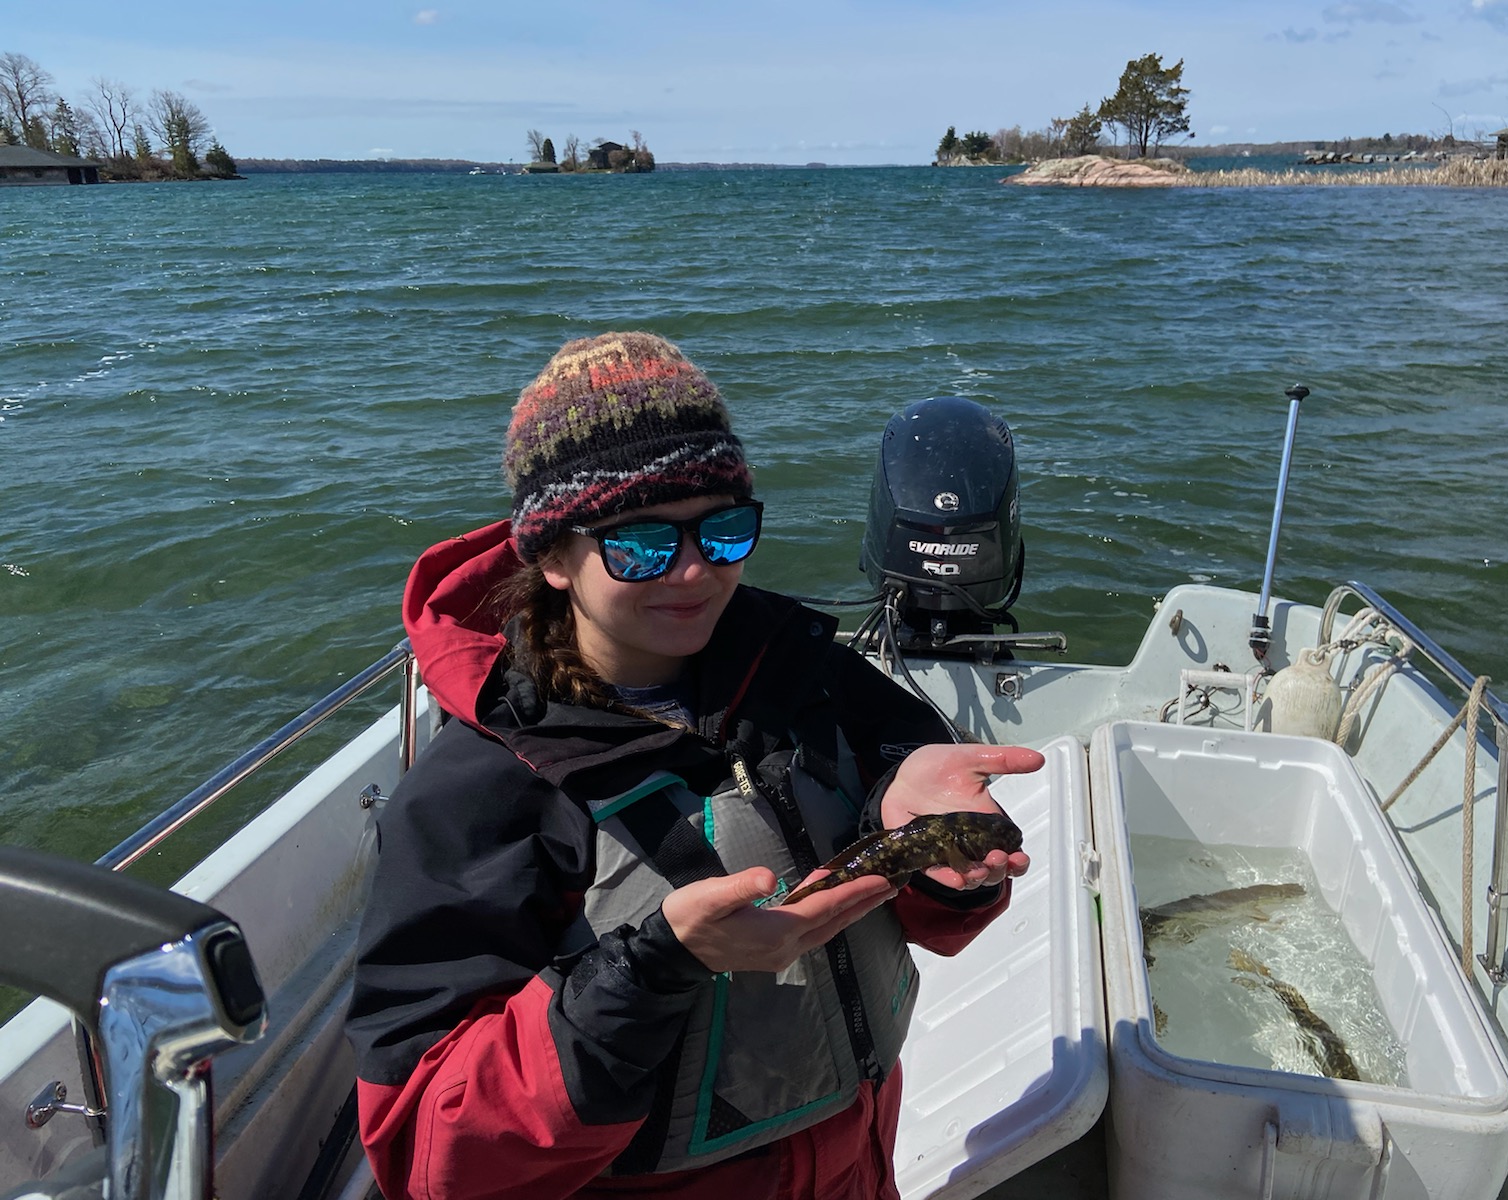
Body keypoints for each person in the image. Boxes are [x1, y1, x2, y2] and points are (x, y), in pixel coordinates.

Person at [345, 331, 1040, 1200]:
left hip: (860, 1162)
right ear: (554, 556)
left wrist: (952, 864)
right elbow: (430, 1152)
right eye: (639, 545)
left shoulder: (813, 676)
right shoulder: (477, 793)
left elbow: (930, 919)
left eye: (723, 529)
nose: (692, 571)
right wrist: (656, 967)